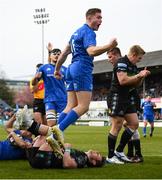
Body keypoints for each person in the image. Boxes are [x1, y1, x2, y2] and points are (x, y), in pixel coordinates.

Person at [52, 8, 117, 138]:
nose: (101, 21)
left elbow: (64, 53)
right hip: (81, 68)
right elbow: (91, 51)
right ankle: (58, 131)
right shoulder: (88, 32)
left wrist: (57, 70)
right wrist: (109, 46)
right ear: (89, 18)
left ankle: (52, 132)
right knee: (83, 106)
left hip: (71, 69)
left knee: (70, 105)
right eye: (98, 17)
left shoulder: (76, 33)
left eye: (101, 18)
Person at [106, 45, 150, 163]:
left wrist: (141, 77)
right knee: (117, 125)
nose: (139, 61)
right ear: (134, 54)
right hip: (117, 96)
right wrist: (138, 75)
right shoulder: (121, 62)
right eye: (139, 58)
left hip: (127, 97)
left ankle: (119, 151)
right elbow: (123, 80)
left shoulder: (133, 66)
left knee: (134, 124)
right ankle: (110, 157)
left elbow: (135, 84)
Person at [32, 45, 67, 127]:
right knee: (51, 123)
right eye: (54, 54)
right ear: (50, 56)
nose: (56, 55)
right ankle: (50, 139)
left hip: (62, 100)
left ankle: (56, 139)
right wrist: (35, 78)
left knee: (60, 124)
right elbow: (34, 83)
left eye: (59, 54)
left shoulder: (65, 69)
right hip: (49, 99)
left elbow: (70, 84)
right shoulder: (43, 68)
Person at [26, 135, 105, 169]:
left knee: (51, 135)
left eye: (97, 154)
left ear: (94, 162)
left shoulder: (83, 160)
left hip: (42, 159)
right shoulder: (83, 155)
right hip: (39, 159)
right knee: (43, 136)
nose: (96, 151)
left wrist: (67, 149)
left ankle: (28, 124)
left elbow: (67, 164)